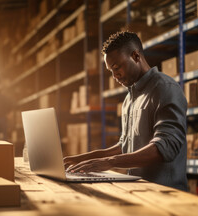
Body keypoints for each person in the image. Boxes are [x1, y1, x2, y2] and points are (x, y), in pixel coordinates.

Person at [64, 31, 188, 191]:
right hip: (140, 190)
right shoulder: (129, 99)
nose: (115, 76)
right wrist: (79, 159)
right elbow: (126, 145)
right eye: (110, 71)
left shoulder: (165, 89)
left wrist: (110, 162)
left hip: (167, 193)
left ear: (136, 56)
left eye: (117, 67)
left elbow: (164, 148)